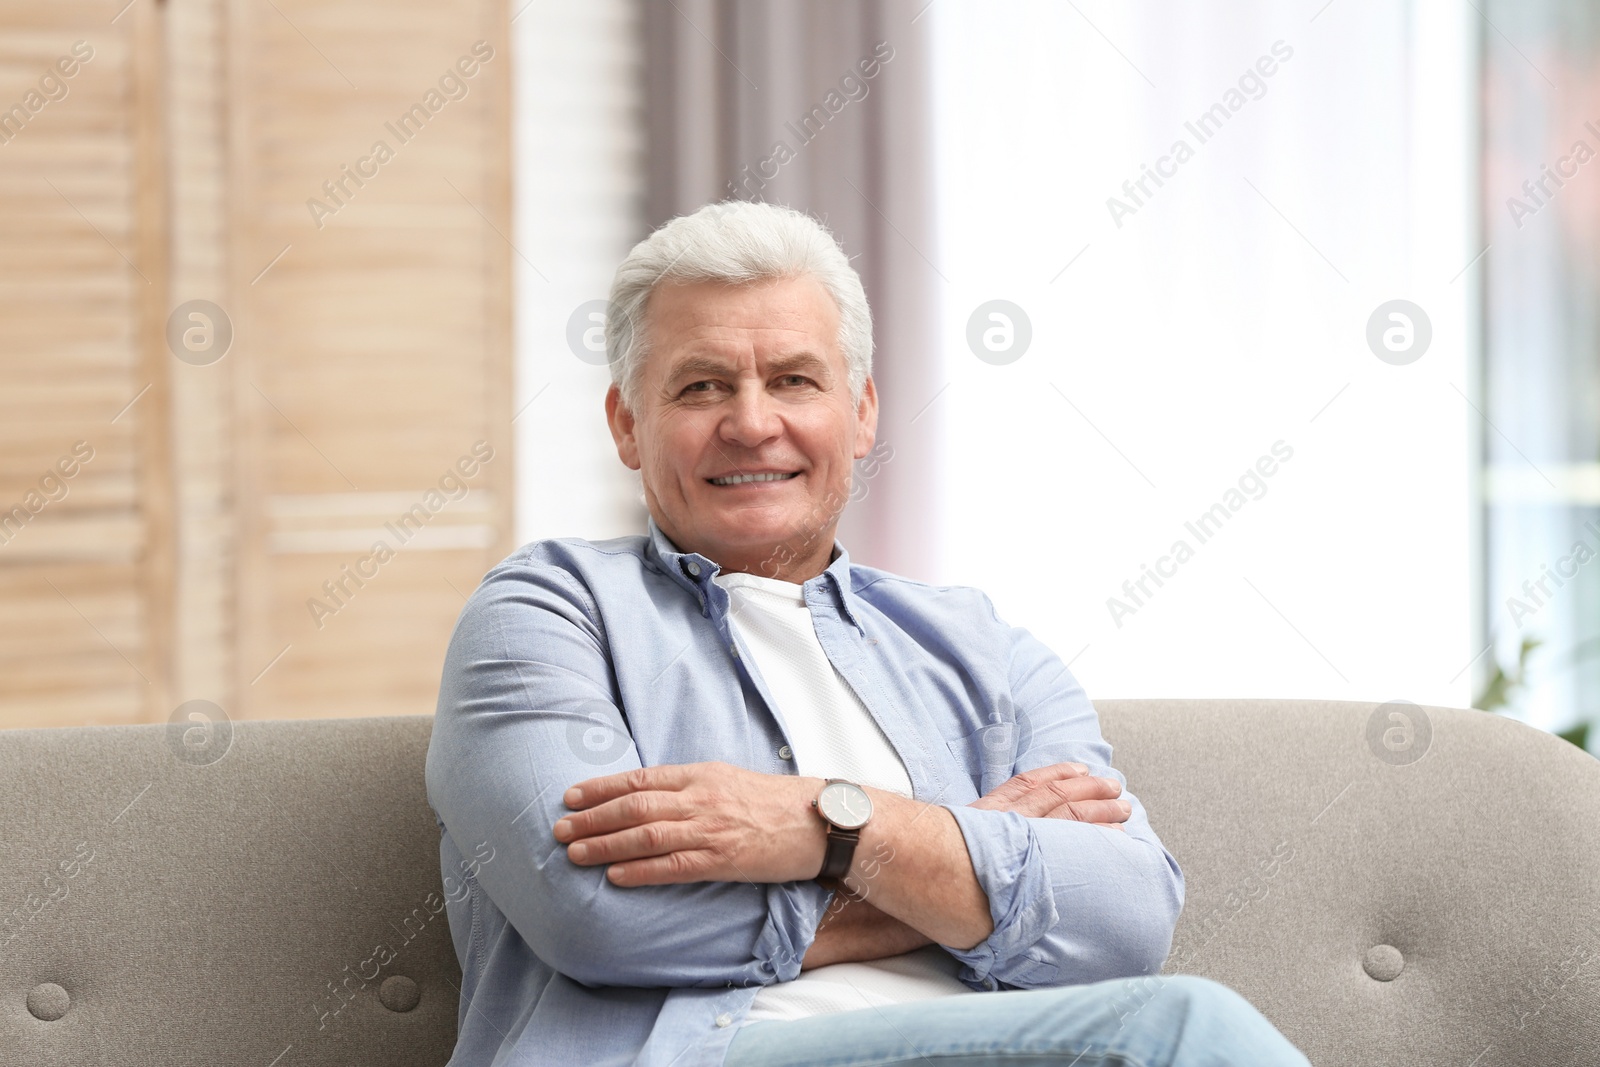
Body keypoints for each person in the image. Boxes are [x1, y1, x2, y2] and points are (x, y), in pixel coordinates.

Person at [425, 199, 1311, 1067]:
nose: (752, 421)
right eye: (701, 385)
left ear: (862, 413)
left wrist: (821, 827)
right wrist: (945, 856)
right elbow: (596, 915)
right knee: (1177, 1033)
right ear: (627, 423)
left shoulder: (984, 649)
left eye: (794, 380)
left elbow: (1124, 915)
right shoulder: (548, 613)